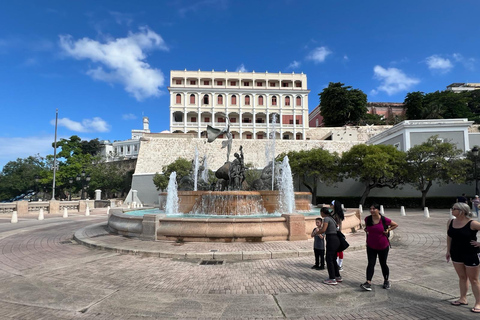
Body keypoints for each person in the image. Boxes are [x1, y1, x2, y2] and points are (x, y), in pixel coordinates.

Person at [447, 202, 480, 313]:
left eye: (454, 208)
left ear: (461, 211)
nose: (452, 210)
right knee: (462, 277)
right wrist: (448, 251)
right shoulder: (451, 221)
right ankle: (463, 298)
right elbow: (449, 237)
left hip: (470, 253)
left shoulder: (472, 223)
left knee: (474, 280)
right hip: (456, 253)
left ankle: (478, 303)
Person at [360, 203, 398, 291]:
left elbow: (395, 225)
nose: (372, 210)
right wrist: (366, 230)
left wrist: (388, 229)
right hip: (370, 245)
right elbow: (367, 228)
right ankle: (368, 282)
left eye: (374, 209)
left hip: (383, 246)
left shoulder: (384, 219)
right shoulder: (367, 219)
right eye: (371, 209)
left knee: (383, 263)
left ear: (378, 210)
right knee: (370, 263)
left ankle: (386, 281)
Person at [316, 207, 342, 285]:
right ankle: (337, 276)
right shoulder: (332, 219)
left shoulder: (326, 219)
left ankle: (332, 278)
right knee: (333, 258)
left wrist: (317, 232)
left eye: (320, 212)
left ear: (322, 212)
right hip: (336, 239)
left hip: (331, 239)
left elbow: (324, 229)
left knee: (329, 259)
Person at [331, 200, 345, 270]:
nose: (330, 205)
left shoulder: (337, 214)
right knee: (335, 250)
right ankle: (336, 263)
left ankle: (339, 264)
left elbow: (338, 224)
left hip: (337, 233)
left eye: (332, 204)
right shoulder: (332, 213)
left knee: (339, 249)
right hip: (333, 233)